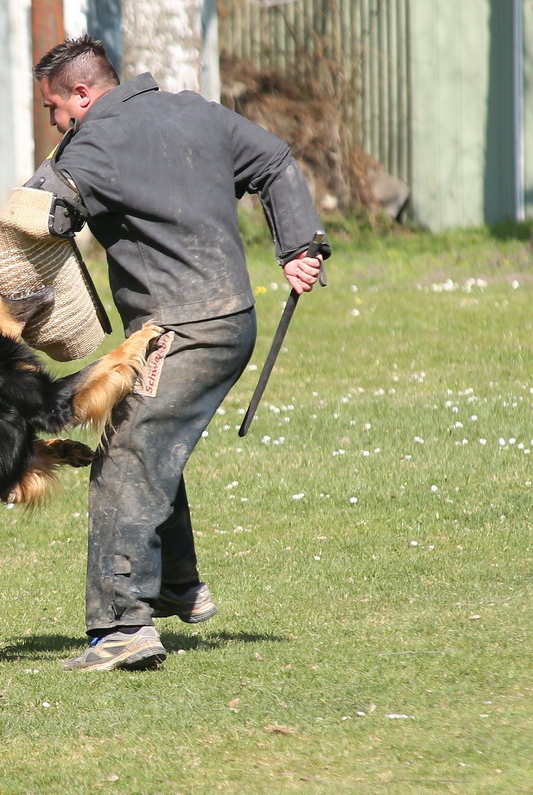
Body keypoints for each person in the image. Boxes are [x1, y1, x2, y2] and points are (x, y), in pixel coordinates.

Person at [31, 35, 330, 672]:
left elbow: (41, 215)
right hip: (232, 320)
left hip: (181, 331)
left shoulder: (95, 141)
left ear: (82, 95)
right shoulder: (195, 111)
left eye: (54, 110)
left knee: (126, 458)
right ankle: (175, 583)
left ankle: (122, 626)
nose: (54, 123)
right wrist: (300, 244)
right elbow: (274, 160)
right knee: (152, 440)